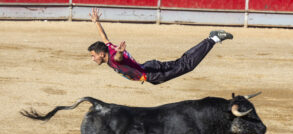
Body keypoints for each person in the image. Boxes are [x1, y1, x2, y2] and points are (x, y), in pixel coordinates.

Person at [88, 8, 233, 85]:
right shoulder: (109, 47)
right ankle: (211, 38)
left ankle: (213, 39)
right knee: (181, 63)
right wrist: (96, 22)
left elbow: (118, 59)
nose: (92, 59)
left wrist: (120, 53)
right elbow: (104, 38)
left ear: (102, 54)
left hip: (151, 74)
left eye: (93, 55)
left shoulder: (113, 57)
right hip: (148, 67)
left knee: (186, 65)